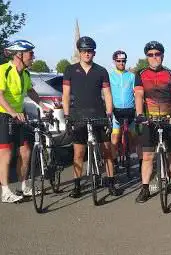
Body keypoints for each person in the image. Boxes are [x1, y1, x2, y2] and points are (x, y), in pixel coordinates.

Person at [62, 36, 121, 198]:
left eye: (90, 51)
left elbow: (107, 94)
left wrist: (109, 114)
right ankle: (77, 186)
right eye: (84, 51)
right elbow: (66, 95)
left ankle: (111, 182)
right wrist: (66, 116)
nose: (87, 54)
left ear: (94, 53)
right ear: (79, 52)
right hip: (78, 115)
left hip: (99, 115)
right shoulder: (70, 70)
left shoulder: (101, 71)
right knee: (79, 153)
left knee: (107, 151)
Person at [134, 41, 171, 203]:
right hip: (149, 121)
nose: (154, 57)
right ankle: (145, 188)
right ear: (147, 57)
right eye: (150, 55)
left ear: (162, 56)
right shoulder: (141, 74)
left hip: (169, 119)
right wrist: (140, 114)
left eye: (157, 54)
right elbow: (139, 96)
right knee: (148, 156)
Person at [0, 40, 50, 203]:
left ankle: (23, 186)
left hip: (19, 116)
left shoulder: (26, 74)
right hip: (3, 116)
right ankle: (5, 191)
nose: (33, 57)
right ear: (19, 55)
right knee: (6, 153)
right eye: (30, 53)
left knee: (25, 151)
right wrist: (12, 112)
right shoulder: (4, 70)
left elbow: (31, 91)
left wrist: (43, 106)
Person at [109, 50, 142, 170]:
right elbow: (106, 94)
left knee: (135, 138)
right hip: (116, 111)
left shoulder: (131, 76)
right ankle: (114, 162)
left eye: (123, 61)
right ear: (114, 61)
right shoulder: (110, 76)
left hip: (130, 111)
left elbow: (137, 93)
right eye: (119, 61)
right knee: (114, 138)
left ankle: (141, 162)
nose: (121, 63)